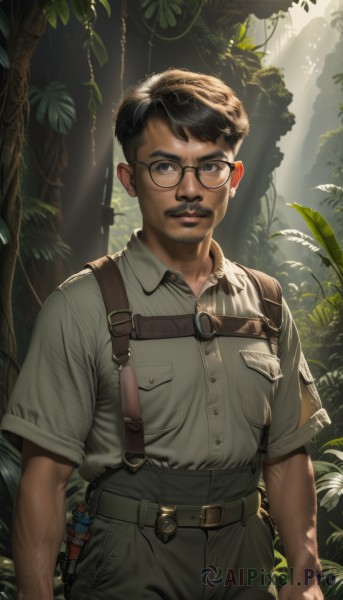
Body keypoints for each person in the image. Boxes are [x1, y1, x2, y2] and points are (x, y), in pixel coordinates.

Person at [1, 68, 330, 600]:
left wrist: (306, 575)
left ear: (235, 176)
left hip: (241, 565)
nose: (189, 190)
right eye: (164, 167)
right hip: (127, 564)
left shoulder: (267, 304)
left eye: (210, 168)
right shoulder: (80, 306)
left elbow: (289, 458)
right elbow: (45, 480)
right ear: (131, 179)